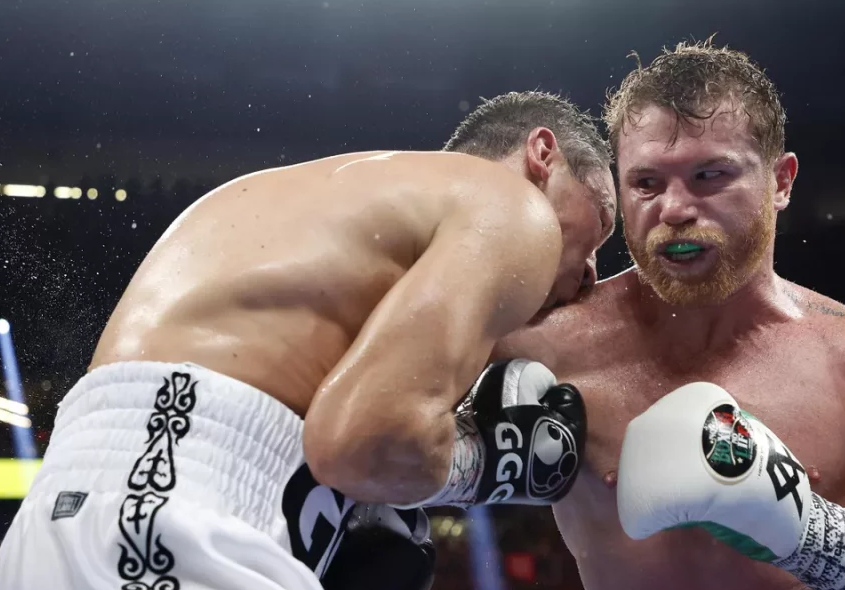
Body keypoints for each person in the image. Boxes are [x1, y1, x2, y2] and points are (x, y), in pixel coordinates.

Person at [0, 90, 617, 590]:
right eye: (600, 225)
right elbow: (359, 445)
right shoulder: (511, 207)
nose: (592, 270)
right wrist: (486, 463)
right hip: (177, 513)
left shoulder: (291, 199)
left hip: (56, 522)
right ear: (543, 154)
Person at [494, 42, 845, 590]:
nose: (674, 209)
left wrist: (809, 534)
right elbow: (416, 451)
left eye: (709, 175)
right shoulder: (547, 345)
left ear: (781, 182)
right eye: (646, 183)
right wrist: (466, 468)